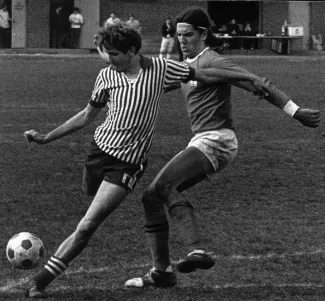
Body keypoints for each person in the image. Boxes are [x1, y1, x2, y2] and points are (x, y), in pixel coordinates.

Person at [23, 21, 268, 299]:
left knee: (87, 225)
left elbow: (204, 74)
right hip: (97, 151)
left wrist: (250, 81)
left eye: (114, 54)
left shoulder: (161, 69)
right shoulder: (106, 76)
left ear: (131, 51)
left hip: (126, 164)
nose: (109, 59)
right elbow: (87, 116)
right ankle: (161, 271)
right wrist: (47, 137)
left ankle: (39, 282)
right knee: (89, 192)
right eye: (107, 53)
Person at [125, 6, 320, 288]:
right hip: (202, 139)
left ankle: (196, 250)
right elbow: (155, 84)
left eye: (188, 35)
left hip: (218, 139)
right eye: (179, 35)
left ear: (203, 34)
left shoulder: (213, 61)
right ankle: (162, 271)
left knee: (166, 187)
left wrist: (295, 110)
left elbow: (256, 82)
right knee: (151, 197)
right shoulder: (187, 64)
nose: (181, 40)